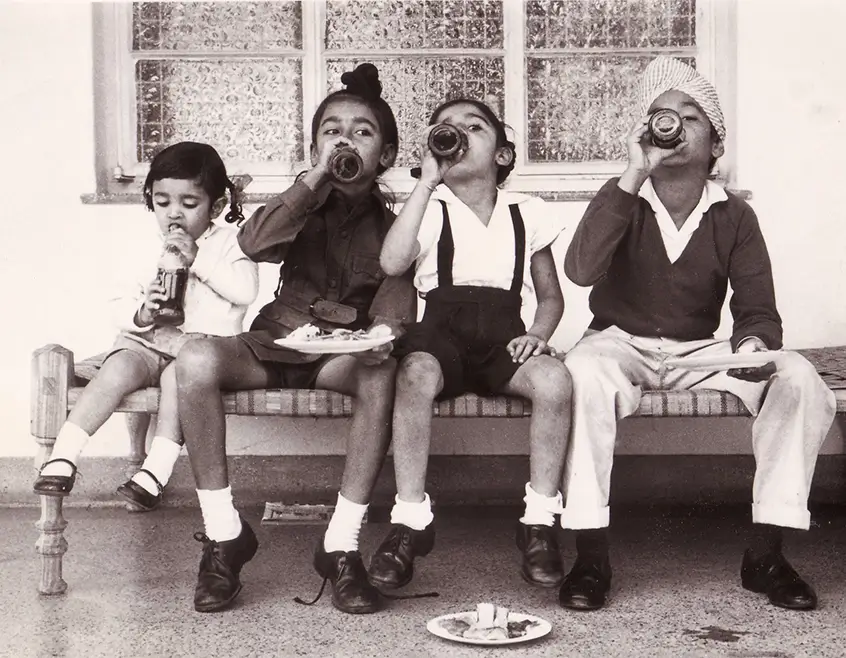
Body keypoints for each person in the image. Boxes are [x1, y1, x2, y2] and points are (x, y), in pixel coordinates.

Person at [560, 56, 836, 612]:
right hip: (618, 342)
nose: (675, 126)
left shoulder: (734, 216)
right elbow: (581, 270)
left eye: (692, 117)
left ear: (715, 145)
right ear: (645, 131)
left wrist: (754, 348)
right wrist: (633, 171)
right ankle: (590, 556)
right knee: (583, 372)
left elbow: (757, 306)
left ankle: (766, 554)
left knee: (798, 377)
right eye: (663, 116)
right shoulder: (623, 197)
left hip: (697, 350)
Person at [175, 63, 415, 615]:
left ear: (388, 154)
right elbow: (255, 244)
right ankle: (223, 534)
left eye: (362, 131)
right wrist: (314, 181)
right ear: (313, 148)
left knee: (383, 371)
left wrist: (381, 336)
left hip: (341, 353)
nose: (345, 140)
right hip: (278, 341)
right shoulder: (301, 201)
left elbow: (396, 299)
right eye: (331, 131)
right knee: (194, 359)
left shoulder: (400, 223)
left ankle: (341, 544)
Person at [366, 98, 573, 594]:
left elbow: (550, 297)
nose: (456, 135)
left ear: (502, 154)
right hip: (441, 335)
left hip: (504, 334)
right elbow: (394, 262)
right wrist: (425, 181)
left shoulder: (529, 212)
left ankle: (540, 520)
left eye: (473, 127)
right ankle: (411, 519)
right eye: (444, 129)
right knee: (413, 374)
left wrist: (538, 336)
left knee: (555, 379)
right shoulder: (431, 206)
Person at [33, 142, 260, 513]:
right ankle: (64, 456)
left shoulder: (230, 244)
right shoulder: (142, 245)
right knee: (118, 366)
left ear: (216, 207)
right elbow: (117, 304)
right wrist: (142, 312)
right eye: (162, 201)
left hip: (196, 351)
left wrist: (196, 260)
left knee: (177, 382)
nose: (174, 214)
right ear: (149, 200)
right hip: (147, 340)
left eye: (189, 204)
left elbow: (245, 291)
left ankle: (153, 473)